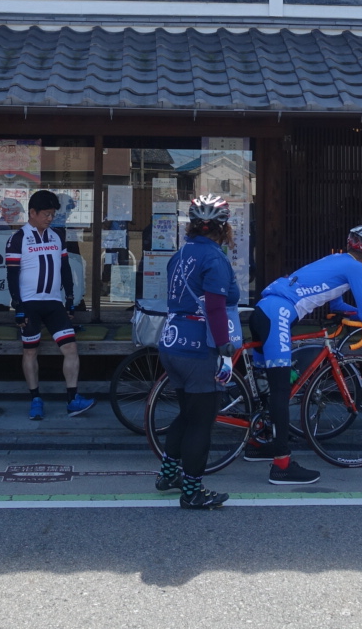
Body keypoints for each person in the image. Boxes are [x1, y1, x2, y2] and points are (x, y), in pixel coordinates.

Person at [247, 225, 362, 487]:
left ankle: (258, 443)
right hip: (279, 313)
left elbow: (337, 306)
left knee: (266, 385)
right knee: (279, 390)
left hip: (265, 310)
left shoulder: (337, 261)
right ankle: (282, 466)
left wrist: (352, 315)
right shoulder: (355, 267)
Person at [153, 193, 242, 510]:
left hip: (172, 342)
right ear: (224, 227)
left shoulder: (180, 255)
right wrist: (224, 350)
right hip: (199, 348)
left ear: (191, 226)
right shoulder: (214, 259)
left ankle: (168, 474)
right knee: (202, 422)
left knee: (187, 414)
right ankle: (192, 490)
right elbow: (216, 309)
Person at [7, 189, 93, 419]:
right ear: (32, 212)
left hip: (54, 303)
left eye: (52, 214)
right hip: (30, 304)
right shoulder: (17, 238)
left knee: (71, 348)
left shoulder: (57, 236)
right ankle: (35, 398)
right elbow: (12, 275)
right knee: (30, 351)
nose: (50, 218)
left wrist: (71, 300)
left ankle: (73, 398)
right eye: (45, 213)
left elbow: (65, 270)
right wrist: (18, 308)